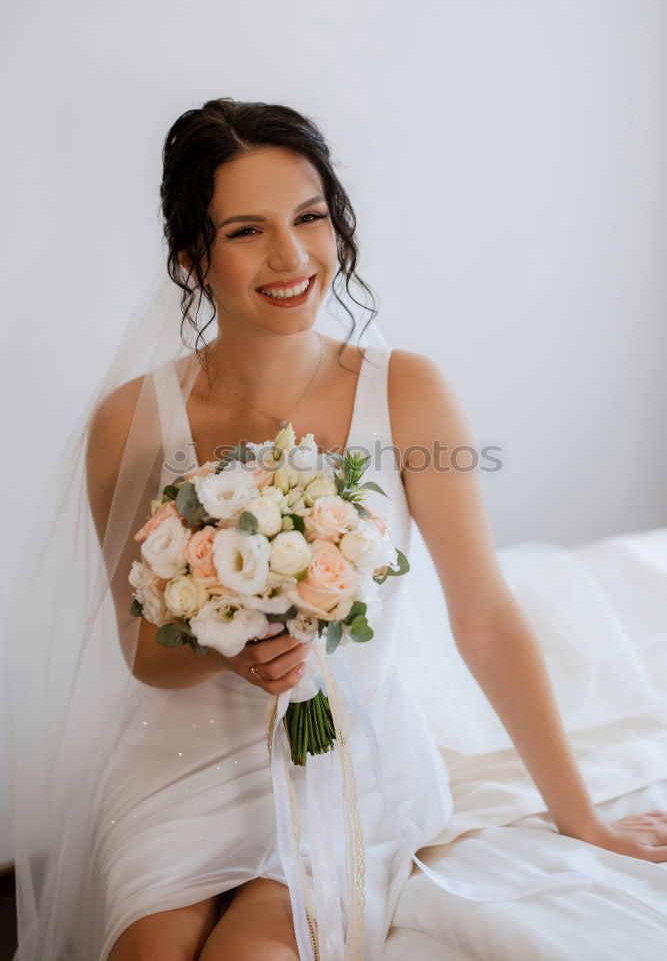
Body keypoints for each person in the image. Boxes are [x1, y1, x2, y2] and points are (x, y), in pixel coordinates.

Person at [7, 98, 667, 961]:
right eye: (246, 230)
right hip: (181, 759)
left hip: (351, 751)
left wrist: (579, 816)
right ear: (190, 257)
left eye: (309, 218)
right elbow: (144, 653)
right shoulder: (133, 421)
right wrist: (226, 646)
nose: (290, 257)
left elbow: (485, 617)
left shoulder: (406, 393)